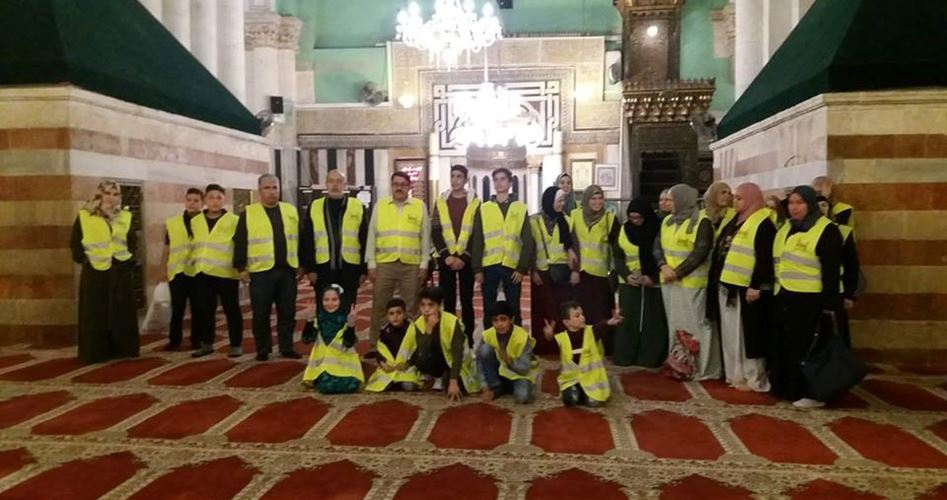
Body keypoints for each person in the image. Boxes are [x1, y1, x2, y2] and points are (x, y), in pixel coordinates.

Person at [772, 186, 843, 408]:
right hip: (787, 294)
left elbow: (831, 270)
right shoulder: (791, 228)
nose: (794, 208)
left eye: (800, 203)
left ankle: (812, 392)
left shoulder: (826, 230)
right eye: (791, 203)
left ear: (810, 204)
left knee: (808, 348)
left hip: (811, 299)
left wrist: (829, 304)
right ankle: (789, 388)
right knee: (789, 345)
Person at [654, 183, 721, 380]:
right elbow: (657, 247)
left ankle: (701, 368)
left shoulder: (702, 223)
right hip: (670, 283)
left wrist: (678, 272)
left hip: (692, 285)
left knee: (696, 328)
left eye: (672, 199)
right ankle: (679, 364)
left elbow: (700, 252)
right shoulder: (667, 221)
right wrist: (662, 266)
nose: (669, 203)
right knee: (676, 326)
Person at [233, 174, 303, 361]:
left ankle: (286, 347)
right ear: (259, 191)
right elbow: (240, 241)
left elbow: (299, 238)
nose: (272, 192)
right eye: (267, 188)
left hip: (287, 270)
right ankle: (263, 349)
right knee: (261, 312)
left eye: (275, 188)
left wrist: (301, 264)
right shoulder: (249, 213)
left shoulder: (290, 210)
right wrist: (241, 267)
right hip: (261, 272)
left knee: (287, 312)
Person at [714, 183, 776, 392]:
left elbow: (765, 258)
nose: (735, 201)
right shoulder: (736, 220)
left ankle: (754, 377)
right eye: (734, 197)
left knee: (750, 335)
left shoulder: (763, 223)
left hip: (748, 289)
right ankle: (736, 374)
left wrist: (756, 285)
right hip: (730, 285)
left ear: (751, 199)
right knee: (733, 334)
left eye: (739, 198)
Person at [70, 180, 140, 364]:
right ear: (99, 195)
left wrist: (129, 262)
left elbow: (132, 242)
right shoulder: (85, 215)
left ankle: (123, 349)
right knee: (95, 312)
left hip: (120, 268)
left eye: (115, 194)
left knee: (121, 311)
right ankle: (95, 352)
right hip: (95, 269)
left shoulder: (125, 216)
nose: (111, 198)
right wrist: (85, 261)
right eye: (107, 193)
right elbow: (75, 243)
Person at [299, 170, 368, 342]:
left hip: (350, 267)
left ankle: (347, 340)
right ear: (326, 184)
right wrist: (309, 269)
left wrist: (364, 269)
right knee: (324, 306)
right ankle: (325, 342)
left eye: (339, 181)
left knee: (348, 306)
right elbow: (307, 239)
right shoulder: (315, 206)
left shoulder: (357, 206)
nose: (335, 185)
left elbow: (365, 238)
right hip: (323, 267)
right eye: (331, 181)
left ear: (345, 185)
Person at [366, 172, 431, 343]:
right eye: (396, 184)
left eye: (403, 184)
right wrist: (371, 263)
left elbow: (425, 237)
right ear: (391, 186)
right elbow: (372, 235)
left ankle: (412, 345)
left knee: (411, 308)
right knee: (380, 305)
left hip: (411, 265)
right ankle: (376, 343)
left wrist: (424, 263)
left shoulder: (419, 206)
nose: (399, 187)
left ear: (409, 187)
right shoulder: (380, 206)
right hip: (384, 263)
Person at [612, 198, 668, 368]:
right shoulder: (624, 229)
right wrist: (627, 275)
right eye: (631, 217)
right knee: (627, 320)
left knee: (651, 320)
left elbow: (662, 256)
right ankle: (625, 355)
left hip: (652, 283)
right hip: (628, 282)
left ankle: (649, 357)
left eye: (638, 218)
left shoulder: (657, 229)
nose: (634, 221)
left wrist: (652, 277)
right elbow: (618, 256)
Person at [189, 184, 243, 358]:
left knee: (231, 310)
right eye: (211, 197)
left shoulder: (234, 220)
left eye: (219, 197)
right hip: (203, 272)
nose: (215, 201)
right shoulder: (196, 221)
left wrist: (242, 268)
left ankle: (235, 344)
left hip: (226, 273)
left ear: (224, 200)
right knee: (205, 310)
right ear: (205, 199)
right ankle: (206, 344)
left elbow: (240, 246)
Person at [476, 168, 533, 329]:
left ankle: (517, 340)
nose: (499, 183)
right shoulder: (484, 208)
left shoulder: (520, 208)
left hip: (512, 267)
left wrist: (521, 268)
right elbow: (478, 239)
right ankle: (489, 341)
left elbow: (527, 240)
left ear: (509, 182)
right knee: (489, 308)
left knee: (514, 308)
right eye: (496, 179)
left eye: (503, 179)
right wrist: (477, 268)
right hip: (489, 265)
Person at [431, 165, 482, 348]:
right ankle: (450, 338)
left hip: (465, 259)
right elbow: (435, 230)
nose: (455, 180)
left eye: (459, 176)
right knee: (448, 301)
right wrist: (446, 255)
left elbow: (476, 232)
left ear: (466, 179)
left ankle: (468, 339)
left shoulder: (475, 203)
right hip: (446, 259)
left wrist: (464, 257)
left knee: (467, 301)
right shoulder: (441, 201)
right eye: (452, 176)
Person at [400, 287, 480, 401]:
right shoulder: (418, 323)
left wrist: (453, 381)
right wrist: (429, 329)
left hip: (453, 362)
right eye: (423, 305)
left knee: (456, 390)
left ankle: (446, 377)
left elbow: (457, 354)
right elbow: (422, 352)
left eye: (431, 305)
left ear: (439, 305)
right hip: (432, 360)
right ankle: (434, 376)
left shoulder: (452, 322)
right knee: (421, 359)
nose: (426, 309)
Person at [542, 302, 623, 407]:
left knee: (593, 403)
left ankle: (586, 393)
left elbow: (602, 326)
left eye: (582, 314)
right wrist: (548, 335)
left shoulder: (591, 331)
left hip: (591, 378)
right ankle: (579, 391)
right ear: (567, 322)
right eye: (577, 316)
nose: (582, 317)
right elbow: (550, 344)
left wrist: (611, 321)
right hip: (571, 380)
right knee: (571, 400)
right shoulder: (561, 338)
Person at [529, 188, 577, 354]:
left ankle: (559, 346)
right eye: (559, 201)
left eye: (564, 201)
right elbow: (530, 248)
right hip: (541, 271)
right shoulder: (534, 220)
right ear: (549, 201)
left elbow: (572, 246)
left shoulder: (567, 221)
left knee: (559, 308)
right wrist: (533, 270)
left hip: (560, 272)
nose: (562, 204)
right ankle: (541, 346)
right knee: (541, 308)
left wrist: (574, 268)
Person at [570, 185, 619, 329]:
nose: (597, 202)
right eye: (593, 199)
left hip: (601, 275)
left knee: (600, 313)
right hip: (581, 274)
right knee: (582, 313)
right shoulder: (575, 215)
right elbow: (572, 244)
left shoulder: (610, 219)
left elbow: (617, 248)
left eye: (600, 198)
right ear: (586, 199)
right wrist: (575, 269)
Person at [301, 284, 363, 394]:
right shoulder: (318, 319)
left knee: (351, 386)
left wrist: (351, 326)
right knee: (326, 387)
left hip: (344, 365)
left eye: (334, 300)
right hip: (323, 365)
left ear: (341, 300)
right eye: (326, 300)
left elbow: (349, 343)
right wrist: (309, 321)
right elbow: (306, 340)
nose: (330, 303)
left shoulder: (346, 319)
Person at [162, 187, 203, 351]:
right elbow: (167, 247)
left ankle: (196, 340)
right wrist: (163, 268)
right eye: (189, 200)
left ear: (202, 203)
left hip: (198, 271)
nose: (192, 203)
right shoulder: (173, 222)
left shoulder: (206, 222)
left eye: (196, 200)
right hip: (177, 270)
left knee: (198, 308)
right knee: (177, 308)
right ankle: (174, 340)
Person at [818, 196, 860, 347]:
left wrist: (850, 294)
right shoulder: (802, 231)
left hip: (837, 291)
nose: (821, 208)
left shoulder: (842, 231)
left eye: (824, 205)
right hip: (812, 291)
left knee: (838, 335)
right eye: (817, 205)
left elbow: (851, 265)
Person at [477, 301, 538, 404]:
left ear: (512, 319)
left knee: (522, 397)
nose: (499, 324)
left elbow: (524, 369)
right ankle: (496, 387)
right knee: (484, 349)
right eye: (495, 320)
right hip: (496, 374)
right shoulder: (487, 335)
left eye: (503, 319)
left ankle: (506, 388)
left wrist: (509, 361)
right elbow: (480, 363)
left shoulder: (522, 337)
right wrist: (484, 386)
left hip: (518, 374)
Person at [364, 298, 422, 392]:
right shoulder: (385, 332)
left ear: (405, 314)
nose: (395, 316)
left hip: (406, 368)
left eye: (399, 313)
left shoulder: (412, 330)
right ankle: (394, 382)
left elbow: (418, 351)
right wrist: (382, 363)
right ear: (387, 316)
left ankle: (398, 382)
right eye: (391, 314)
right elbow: (380, 351)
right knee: (382, 385)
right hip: (389, 369)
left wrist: (408, 363)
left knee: (409, 387)